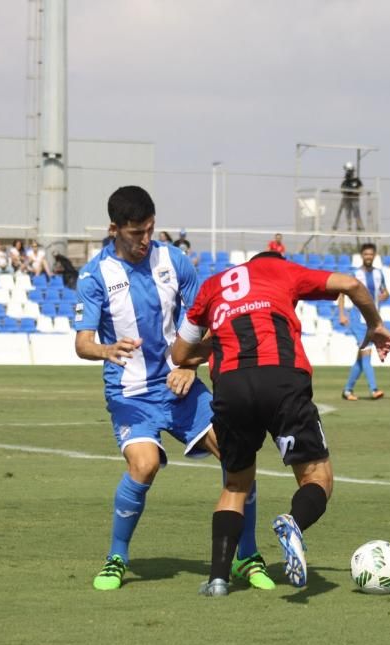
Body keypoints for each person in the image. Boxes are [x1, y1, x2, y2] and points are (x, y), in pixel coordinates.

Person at [74, 185, 273, 592]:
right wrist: (105, 350)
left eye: (149, 229)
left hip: (179, 386)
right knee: (143, 465)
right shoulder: (95, 275)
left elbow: (215, 323)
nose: (145, 240)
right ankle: (117, 556)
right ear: (115, 229)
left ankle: (247, 555)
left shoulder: (174, 260)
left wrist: (189, 363)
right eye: (135, 233)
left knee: (238, 457)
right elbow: (82, 343)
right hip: (130, 394)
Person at [171, 250, 390, 596]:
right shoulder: (280, 271)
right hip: (282, 379)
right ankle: (294, 523)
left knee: (235, 486)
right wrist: (374, 324)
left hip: (231, 385)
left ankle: (217, 579)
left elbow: (180, 355)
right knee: (317, 477)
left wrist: (216, 347)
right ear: (272, 261)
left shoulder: (212, 286)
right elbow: (350, 284)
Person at [339, 242, 389, 400]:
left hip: (372, 321)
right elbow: (341, 293)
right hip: (358, 319)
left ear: (374, 256)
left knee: (361, 358)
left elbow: (385, 291)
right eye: (366, 254)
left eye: (371, 254)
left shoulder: (379, 274)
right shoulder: (355, 274)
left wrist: (384, 296)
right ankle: (374, 389)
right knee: (366, 353)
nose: (368, 256)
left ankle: (347, 390)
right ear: (362, 256)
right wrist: (342, 314)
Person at [331, 163, 364, 232]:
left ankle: (359, 226)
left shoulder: (356, 181)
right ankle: (349, 226)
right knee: (347, 212)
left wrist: (355, 192)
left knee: (356, 212)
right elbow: (342, 189)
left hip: (354, 199)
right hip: (346, 198)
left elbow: (360, 189)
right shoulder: (345, 181)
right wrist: (345, 191)